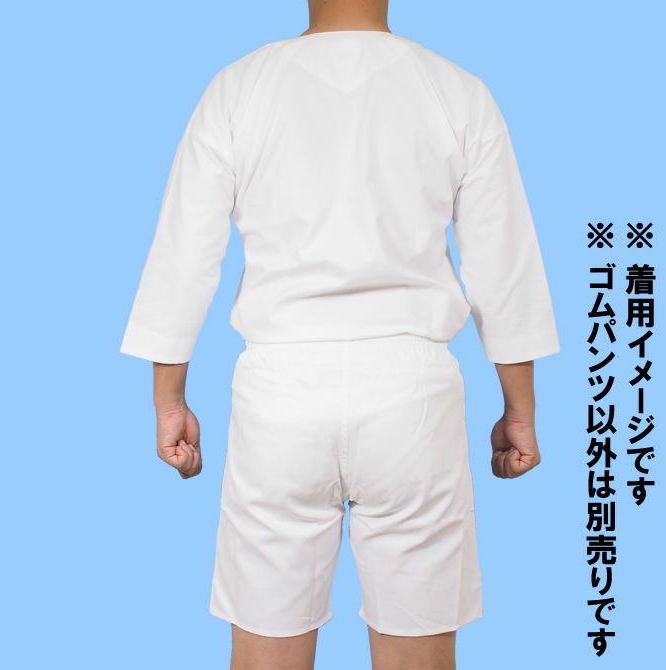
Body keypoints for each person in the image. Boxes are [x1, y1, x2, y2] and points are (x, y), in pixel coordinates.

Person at [119, 0, 560, 668]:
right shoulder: (458, 91)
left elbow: (183, 256)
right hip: (413, 397)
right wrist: (519, 410)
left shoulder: (238, 88)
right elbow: (503, 267)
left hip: (279, 396)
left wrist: (168, 400)